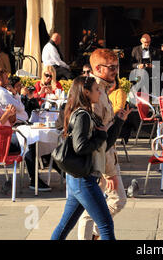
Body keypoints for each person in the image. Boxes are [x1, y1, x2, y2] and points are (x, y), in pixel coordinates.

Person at [51, 76, 115, 240]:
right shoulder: (83, 115)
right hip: (83, 180)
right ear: (86, 92)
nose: (99, 91)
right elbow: (80, 147)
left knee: (65, 226)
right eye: (96, 89)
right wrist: (100, 136)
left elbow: (100, 143)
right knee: (105, 225)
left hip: (77, 179)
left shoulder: (83, 113)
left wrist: (118, 122)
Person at [78, 48, 131, 240]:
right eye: (112, 67)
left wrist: (119, 120)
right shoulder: (94, 94)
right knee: (97, 207)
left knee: (112, 202)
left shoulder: (101, 89)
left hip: (105, 159)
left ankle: (92, 235)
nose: (116, 71)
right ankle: (90, 236)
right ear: (98, 68)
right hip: (98, 162)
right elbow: (98, 139)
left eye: (117, 66)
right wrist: (109, 172)